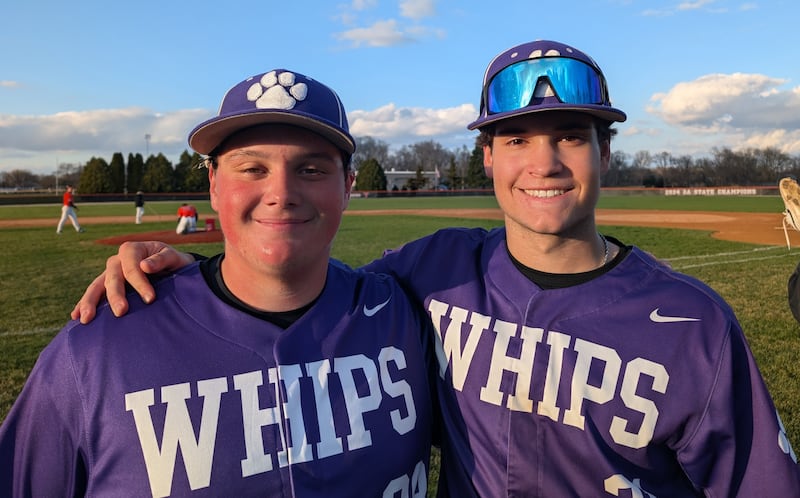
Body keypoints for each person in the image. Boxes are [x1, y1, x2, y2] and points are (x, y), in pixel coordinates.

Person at [72, 40, 800, 496]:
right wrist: (190, 272)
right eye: (515, 140)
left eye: (571, 138)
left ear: (605, 154)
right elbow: (306, 285)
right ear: (487, 158)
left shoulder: (692, 321)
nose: (543, 163)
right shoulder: (437, 267)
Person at [0, 69, 436, 496]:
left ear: (347, 187)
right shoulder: (94, 350)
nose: (281, 192)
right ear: (212, 184)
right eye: (251, 168)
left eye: (311, 170)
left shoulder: (405, 313)